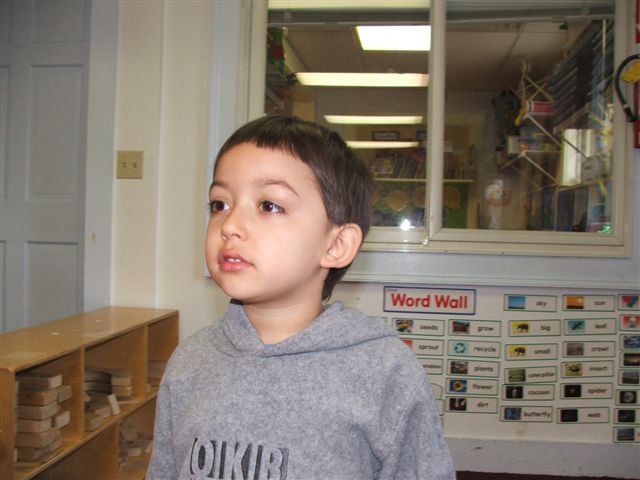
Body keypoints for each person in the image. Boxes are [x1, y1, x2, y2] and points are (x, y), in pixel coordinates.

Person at [147, 114, 455, 480]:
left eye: (269, 205)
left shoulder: (386, 372)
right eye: (220, 204)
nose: (229, 226)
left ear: (336, 245)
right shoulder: (189, 361)